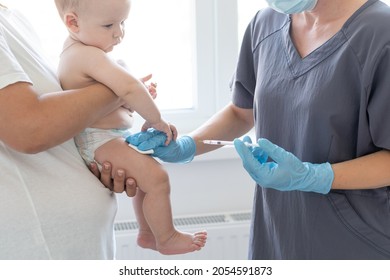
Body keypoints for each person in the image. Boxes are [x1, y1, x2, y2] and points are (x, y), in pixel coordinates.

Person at [127, 0, 390, 259]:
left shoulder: (380, 33)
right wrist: (187, 146)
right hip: (275, 237)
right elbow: (242, 112)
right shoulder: (266, 23)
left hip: (354, 244)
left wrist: (315, 176)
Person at [54, 0, 207, 255]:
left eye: (122, 22)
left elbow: (113, 100)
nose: (119, 33)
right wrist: (156, 119)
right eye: (109, 25)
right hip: (99, 140)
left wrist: (136, 103)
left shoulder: (83, 51)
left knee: (146, 180)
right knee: (158, 178)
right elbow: (127, 87)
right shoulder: (85, 54)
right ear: (73, 22)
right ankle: (166, 237)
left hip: (109, 137)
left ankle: (148, 234)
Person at [0, 2, 137, 259]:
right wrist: (124, 85)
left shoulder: (14, 19)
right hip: (31, 249)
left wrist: (91, 157)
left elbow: (59, 119)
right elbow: (28, 127)